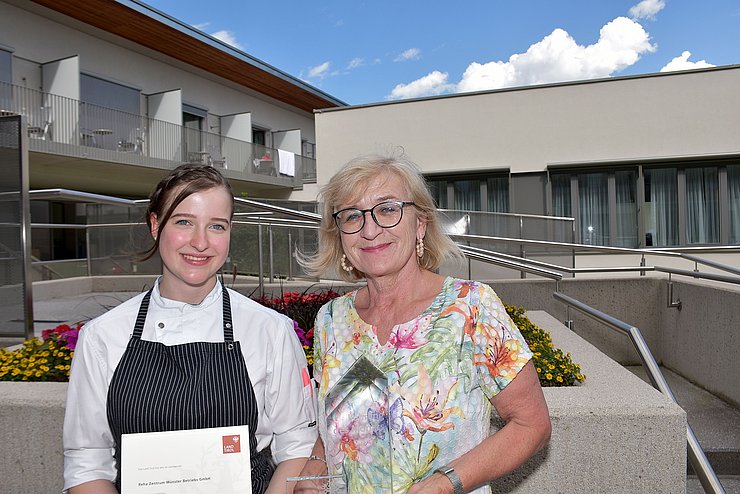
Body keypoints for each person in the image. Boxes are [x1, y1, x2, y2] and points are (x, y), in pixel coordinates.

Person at [297, 155, 551, 493]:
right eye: (353, 215)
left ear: (420, 224)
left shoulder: (470, 308)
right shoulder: (331, 318)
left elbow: (531, 425)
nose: (370, 229)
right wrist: (314, 470)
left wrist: (448, 483)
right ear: (340, 234)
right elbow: (335, 426)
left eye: (387, 209)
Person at [63, 164, 316, 493]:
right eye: (184, 222)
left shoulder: (270, 331)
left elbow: (297, 445)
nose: (200, 242)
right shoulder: (102, 337)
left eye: (217, 226)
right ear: (155, 224)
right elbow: (87, 459)